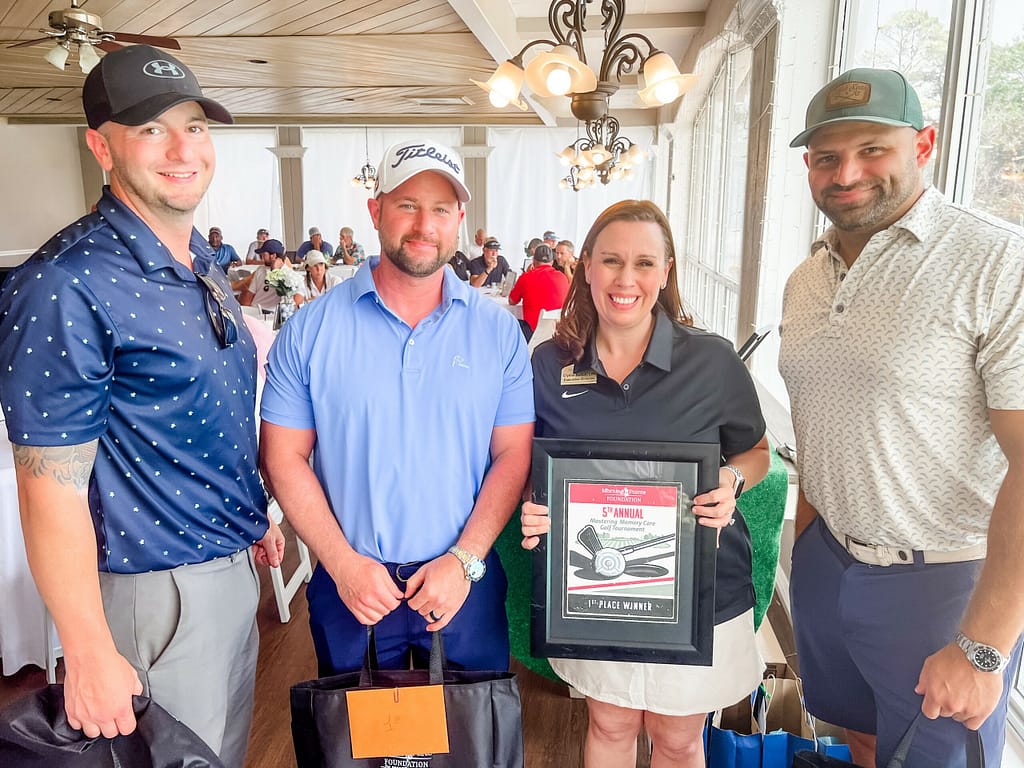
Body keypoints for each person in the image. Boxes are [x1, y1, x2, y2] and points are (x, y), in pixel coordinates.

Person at [0, 45, 283, 768]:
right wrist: (90, 651)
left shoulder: (203, 263)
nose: (183, 148)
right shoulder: (65, 283)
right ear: (101, 147)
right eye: (151, 129)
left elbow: (202, 416)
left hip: (226, 570)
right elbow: (47, 487)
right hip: (152, 599)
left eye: (194, 126)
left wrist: (250, 517)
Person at [779, 68, 1024, 767]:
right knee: (859, 738)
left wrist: (984, 646)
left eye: (872, 149)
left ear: (925, 143)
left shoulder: (996, 260)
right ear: (808, 167)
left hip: (941, 579)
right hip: (829, 557)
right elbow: (820, 423)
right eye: (827, 156)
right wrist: (811, 558)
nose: (847, 171)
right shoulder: (807, 276)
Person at [259, 139, 534, 676]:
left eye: (440, 209)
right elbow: (283, 457)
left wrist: (464, 560)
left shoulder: (497, 331)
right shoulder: (311, 329)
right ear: (376, 210)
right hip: (351, 582)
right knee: (361, 751)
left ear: (459, 220)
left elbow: (512, 455)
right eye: (407, 204)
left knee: (470, 744)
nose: (423, 224)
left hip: (464, 582)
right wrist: (340, 564)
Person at [520, 200, 769, 768]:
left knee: (678, 740)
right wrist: (534, 506)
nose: (625, 279)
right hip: (593, 594)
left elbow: (754, 451)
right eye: (610, 260)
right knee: (608, 726)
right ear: (585, 266)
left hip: (693, 593)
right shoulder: (549, 366)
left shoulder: (712, 360)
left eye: (643, 263)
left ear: (666, 271)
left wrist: (731, 480)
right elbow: (533, 467)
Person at [507, 243, 568, 333]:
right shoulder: (562, 277)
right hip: (555, 332)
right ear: (552, 262)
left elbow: (512, 301)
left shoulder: (526, 277)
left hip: (531, 333)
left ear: (534, 261)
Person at [234, 238, 288, 315]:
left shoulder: (288, 275)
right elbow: (249, 294)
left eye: (264, 254)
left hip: (270, 313)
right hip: (258, 311)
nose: (261, 256)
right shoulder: (261, 269)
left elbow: (249, 296)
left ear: (273, 255)